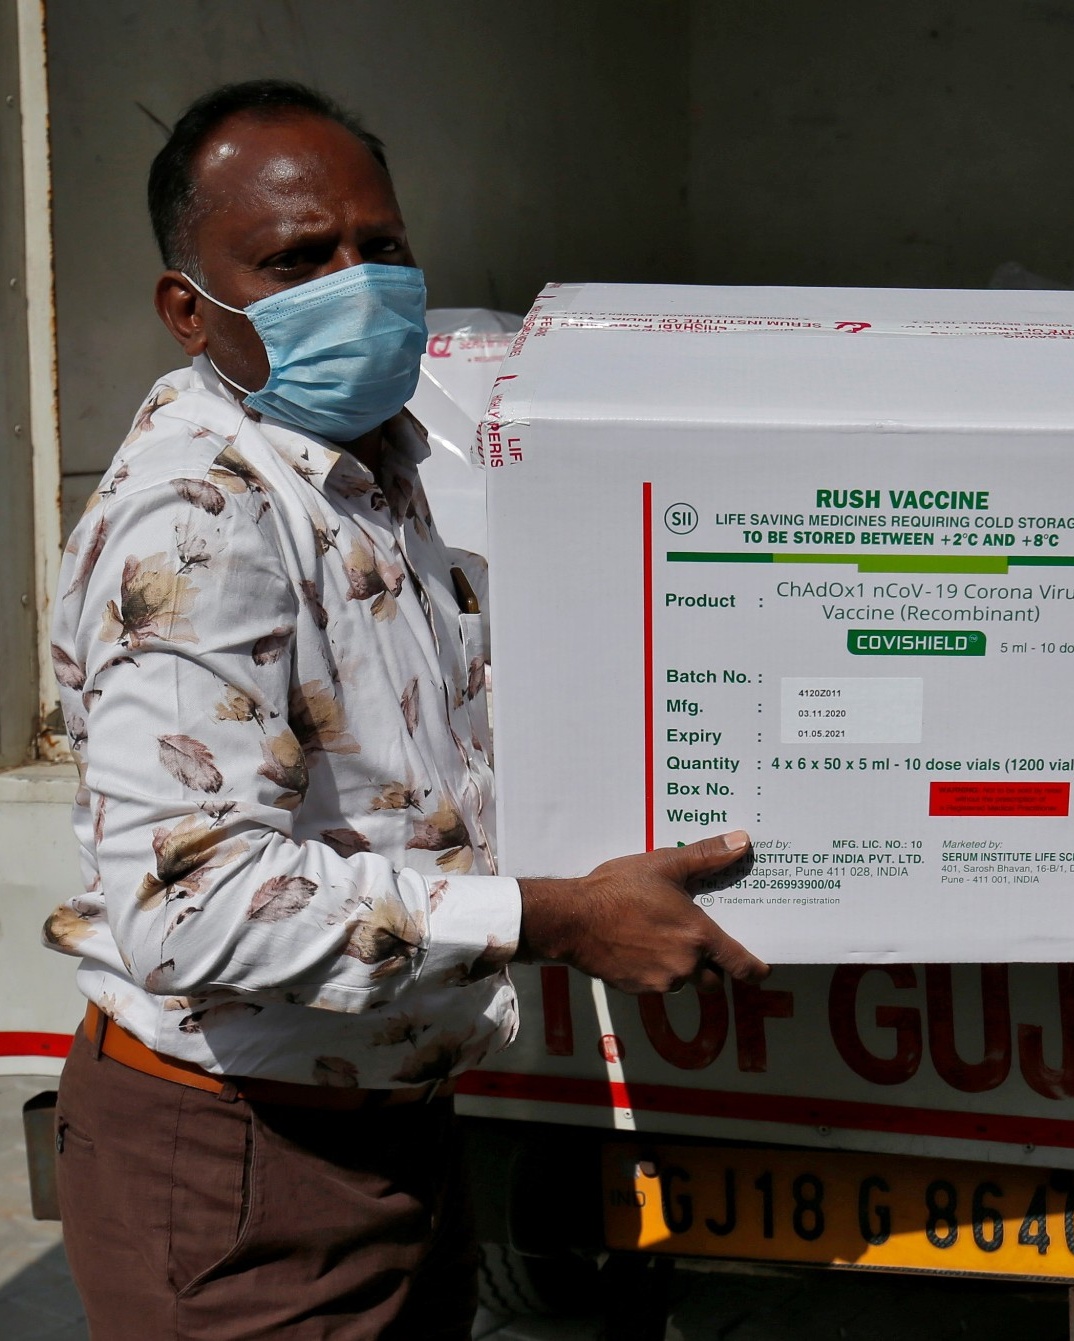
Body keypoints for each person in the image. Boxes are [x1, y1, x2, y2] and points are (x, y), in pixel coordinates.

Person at [45, 80, 766, 1340]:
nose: (358, 284)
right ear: (186, 309)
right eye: (296, 260)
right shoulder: (204, 522)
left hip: (387, 1124)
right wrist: (554, 918)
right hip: (244, 1160)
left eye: (381, 248)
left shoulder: (376, 461)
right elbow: (192, 907)